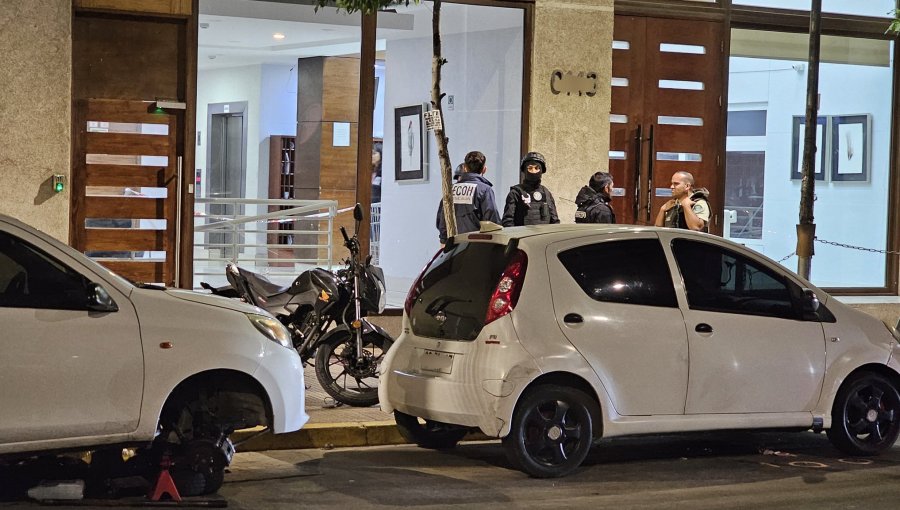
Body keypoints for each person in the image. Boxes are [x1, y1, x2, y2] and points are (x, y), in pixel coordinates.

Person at [436, 151, 501, 244]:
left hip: (453, 247)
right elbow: (492, 223)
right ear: (484, 169)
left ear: (465, 168)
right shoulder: (485, 190)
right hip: (477, 246)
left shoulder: (450, 190)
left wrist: (443, 242)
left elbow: (442, 220)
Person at [501, 151, 560, 227]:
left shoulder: (546, 193)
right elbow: (508, 222)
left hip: (544, 234)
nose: (533, 171)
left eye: (537, 168)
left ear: (541, 170)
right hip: (522, 234)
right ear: (525, 170)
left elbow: (555, 222)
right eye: (530, 168)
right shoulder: (516, 193)